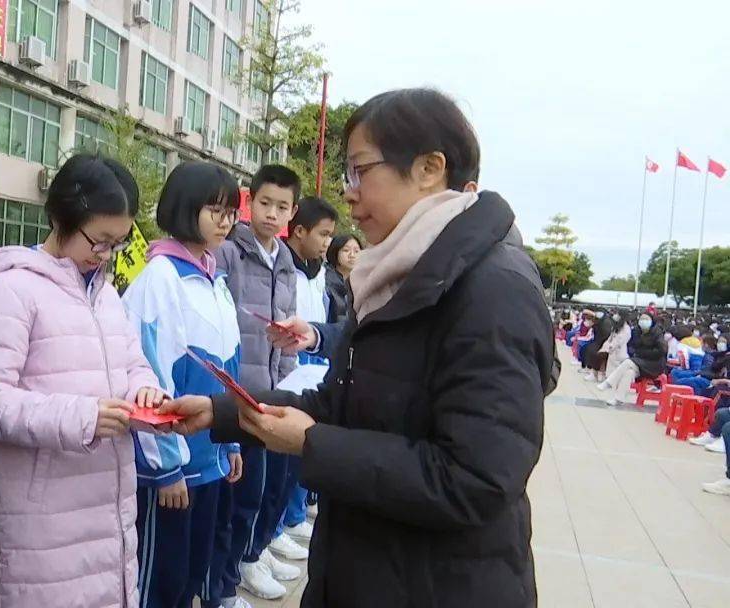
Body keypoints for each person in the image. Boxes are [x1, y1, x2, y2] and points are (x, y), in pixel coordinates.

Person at [160, 87, 554, 607]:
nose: (348, 193)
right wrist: (222, 411)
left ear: (429, 169)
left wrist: (314, 443)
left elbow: (475, 479)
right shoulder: (402, 276)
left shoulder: (490, 288)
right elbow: (339, 405)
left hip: (437, 585)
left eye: (359, 171)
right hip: (370, 567)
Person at [0, 154, 165, 607]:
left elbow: (134, 363)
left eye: (118, 244)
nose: (106, 256)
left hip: (107, 514)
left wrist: (145, 391)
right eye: (98, 241)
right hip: (40, 528)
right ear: (61, 217)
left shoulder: (105, 294)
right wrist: (82, 417)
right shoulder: (10, 290)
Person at [122, 162, 245, 608]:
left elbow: (230, 368)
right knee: (161, 581)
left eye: (230, 210)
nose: (225, 220)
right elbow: (147, 379)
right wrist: (164, 468)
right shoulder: (160, 278)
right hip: (175, 469)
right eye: (214, 209)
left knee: (193, 572)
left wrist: (232, 441)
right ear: (183, 207)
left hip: (211, 460)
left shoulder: (215, 279)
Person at [212, 164, 301, 604]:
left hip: (271, 397)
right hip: (236, 401)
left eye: (281, 206)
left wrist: (288, 388)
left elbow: (288, 338)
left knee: (263, 491)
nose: (271, 213)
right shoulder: (231, 253)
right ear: (251, 202)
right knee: (236, 500)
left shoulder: (285, 264)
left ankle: (249, 559)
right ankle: (225, 583)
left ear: (292, 212)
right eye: (264, 203)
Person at [269, 197, 338, 556]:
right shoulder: (283, 270)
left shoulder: (318, 274)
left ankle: (289, 519)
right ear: (299, 231)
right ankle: (269, 535)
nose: (328, 242)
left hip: (312, 374)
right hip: (283, 376)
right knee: (276, 464)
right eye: (323, 234)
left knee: (297, 460)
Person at [598, 312, 667, 406]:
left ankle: (608, 382)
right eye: (642, 319)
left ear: (652, 321)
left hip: (654, 364)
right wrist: (637, 353)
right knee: (629, 372)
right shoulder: (636, 332)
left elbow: (661, 351)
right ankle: (618, 399)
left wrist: (643, 353)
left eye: (646, 319)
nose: (644, 321)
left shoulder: (657, 332)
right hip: (639, 362)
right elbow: (631, 347)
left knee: (628, 362)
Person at [324, 234, 362, 325]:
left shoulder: (361, 282)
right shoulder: (324, 280)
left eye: (356, 251)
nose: (352, 255)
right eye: (346, 250)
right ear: (335, 251)